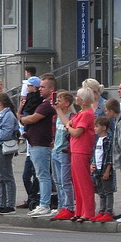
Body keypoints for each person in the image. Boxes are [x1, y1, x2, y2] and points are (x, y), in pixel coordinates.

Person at [19, 74, 56, 216]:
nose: (40, 89)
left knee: (43, 175)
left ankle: (45, 204)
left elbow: (33, 118)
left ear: (51, 88)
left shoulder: (48, 104)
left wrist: (24, 119)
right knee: (42, 175)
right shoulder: (43, 102)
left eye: (43, 87)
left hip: (41, 144)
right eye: (39, 86)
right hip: (34, 143)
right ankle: (44, 203)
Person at [63, 87, 97, 222]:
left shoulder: (87, 114)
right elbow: (70, 122)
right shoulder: (80, 113)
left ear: (83, 100)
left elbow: (77, 132)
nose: (75, 98)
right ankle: (80, 210)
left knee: (84, 182)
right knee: (77, 182)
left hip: (82, 149)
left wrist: (69, 127)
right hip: (76, 149)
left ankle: (87, 211)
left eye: (77, 96)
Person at [0, 92, 20, 214]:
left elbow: (6, 134)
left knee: (6, 176)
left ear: (0, 103)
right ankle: (1, 203)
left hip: (1, 147)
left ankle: (10, 204)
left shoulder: (8, 116)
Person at [50, 91, 76, 220]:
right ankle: (61, 205)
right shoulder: (56, 117)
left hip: (64, 152)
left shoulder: (71, 116)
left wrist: (58, 110)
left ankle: (69, 206)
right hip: (56, 150)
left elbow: (68, 125)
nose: (57, 102)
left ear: (67, 103)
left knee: (65, 181)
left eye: (60, 100)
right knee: (58, 181)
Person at [92, 116, 115, 222]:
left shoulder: (108, 140)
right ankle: (101, 211)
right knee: (100, 192)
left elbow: (110, 157)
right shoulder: (97, 140)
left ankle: (108, 211)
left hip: (105, 169)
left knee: (108, 191)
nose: (95, 128)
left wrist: (107, 170)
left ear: (104, 128)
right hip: (97, 169)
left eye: (97, 126)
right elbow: (95, 154)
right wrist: (92, 164)